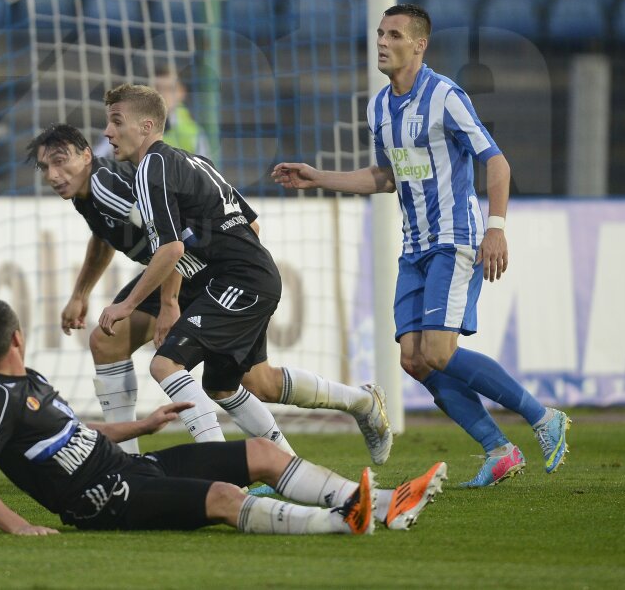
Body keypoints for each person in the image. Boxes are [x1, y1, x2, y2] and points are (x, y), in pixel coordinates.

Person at [271, 3, 571, 488]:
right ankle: (499, 449)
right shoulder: (379, 107)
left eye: (393, 35)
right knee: (414, 360)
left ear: (419, 44)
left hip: (455, 239)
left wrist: (496, 226)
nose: (382, 42)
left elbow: (496, 162)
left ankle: (542, 418)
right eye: (379, 34)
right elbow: (386, 177)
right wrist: (317, 177)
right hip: (414, 246)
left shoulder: (446, 96)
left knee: (440, 351)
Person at [28, 123, 392, 467]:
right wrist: (81, 293)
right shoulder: (89, 193)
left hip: (197, 271)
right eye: (45, 168)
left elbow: (171, 240)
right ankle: (359, 403)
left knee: (177, 366)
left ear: (86, 155)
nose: (53, 176)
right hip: (200, 268)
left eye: (60, 162)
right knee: (257, 382)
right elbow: (104, 234)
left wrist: (170, 304)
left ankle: (146, 464)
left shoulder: (109, 184)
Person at [0, 298, 446, 535]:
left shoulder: (30, 381)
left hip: (128, 468)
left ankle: (384, 503)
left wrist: (139, 427)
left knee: (262, 453)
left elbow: (76, 432)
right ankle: (344, 521)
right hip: (105, 498)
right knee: (224, 499)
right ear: (16, 338)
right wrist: (19, 527)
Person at [93, 64, 209, 159]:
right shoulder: (124, 126)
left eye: (169, 89)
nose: (162, 94)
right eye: (157, 88)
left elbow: (205, 176)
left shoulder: (194, 133)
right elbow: (96, 160)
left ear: (181, 93)